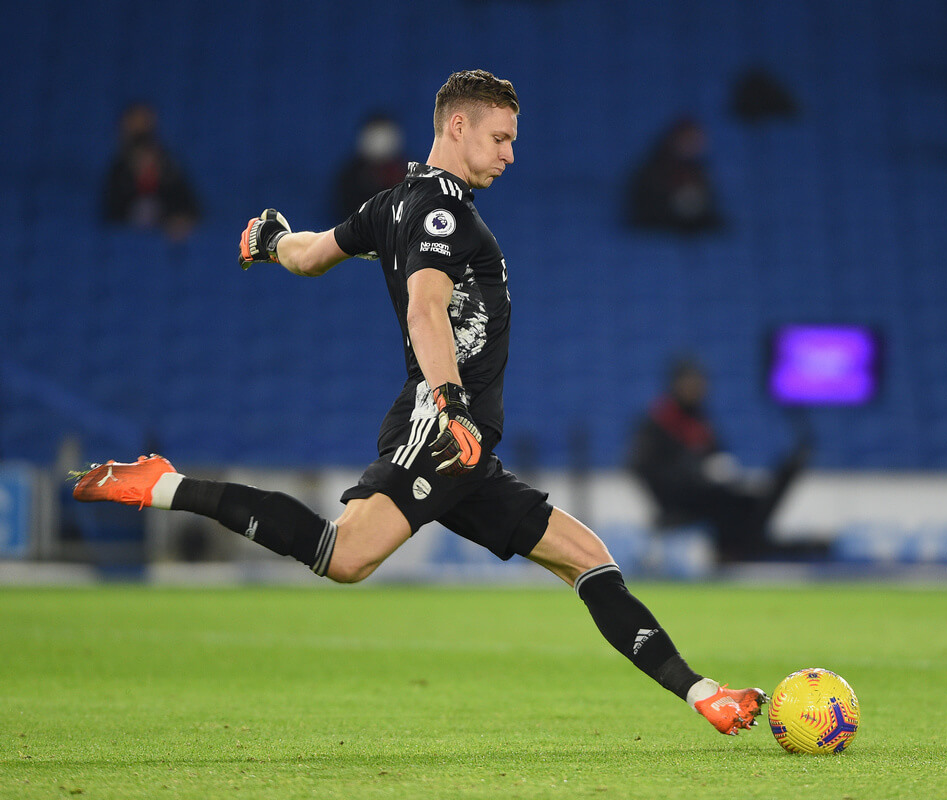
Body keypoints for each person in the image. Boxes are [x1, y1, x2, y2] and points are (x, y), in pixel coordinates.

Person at [72, 70, 764, 736]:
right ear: (457, 126)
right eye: (500, 138)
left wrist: (271, 239)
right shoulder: (439, 212)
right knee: (345, 557)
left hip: (466, 445)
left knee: (588, 557)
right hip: (442, 428)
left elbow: (313, 256)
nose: (510, 154)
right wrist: (452, 404)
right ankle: (166, 485)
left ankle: (705, 695)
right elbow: (425, 310)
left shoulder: (391, 204)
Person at [628, 358, 808, 563]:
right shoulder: (659, 422)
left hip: (711, 492)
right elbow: (644, 466)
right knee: (731, 509)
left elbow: (716, 455)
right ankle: (735, 553)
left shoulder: (701, 419)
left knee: (749, 502)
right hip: (680, 499)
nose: (697, 389)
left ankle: (744, 553)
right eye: (690, 383)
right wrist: (693, 473)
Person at [100, 102, 202, 240]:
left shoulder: (169, 169)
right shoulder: (118, 174)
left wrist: (179, 220)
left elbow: (191, 210)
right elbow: (109, 216)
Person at [625, 117, 723, 234]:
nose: (693, 145)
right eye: (688, 139)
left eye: (695, 140)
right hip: (656, 227)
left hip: (690, 225)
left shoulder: (698, 171)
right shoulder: (652, 169)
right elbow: (643, 206)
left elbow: (707, 205)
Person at [333, 113, 409, 221]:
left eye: (385, 136)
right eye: (375, 137)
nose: (380, 144)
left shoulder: (407, 173)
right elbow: (345, 210)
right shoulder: (351, 177)